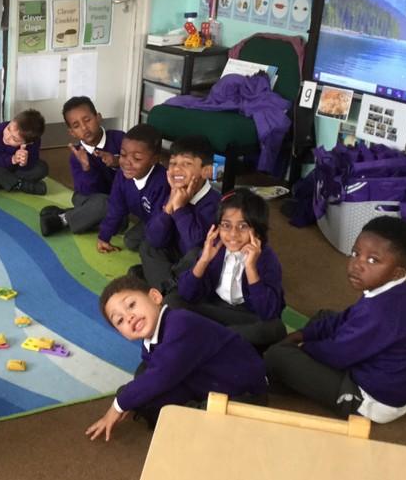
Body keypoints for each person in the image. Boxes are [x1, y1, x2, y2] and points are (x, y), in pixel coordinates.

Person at [264, 216, 406, 423]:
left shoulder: (381, 313)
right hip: (378, 371)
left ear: (397, 272)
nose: (357, 265)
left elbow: (336, 354)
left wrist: (301, 346)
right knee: (326, 317)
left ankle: (279, 377)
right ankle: (294, 371)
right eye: (355, 253)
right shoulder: (392, 290)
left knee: (278, 356)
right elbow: (349, 317)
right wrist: (303, 333)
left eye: (373, 260)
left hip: (375, 400)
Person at [85, 274, 268, 440]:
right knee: (141, 382)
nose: (129, 317)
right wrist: (129, 397)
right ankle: (184, 413)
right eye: (120, 320)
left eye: (131, 305)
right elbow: (154, 371)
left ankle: (196, 419)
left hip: (242, 392)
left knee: (143, 392)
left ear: (155, 297)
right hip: (202, 380)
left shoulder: (181, 323)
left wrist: (119, 404)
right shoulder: (150, 340)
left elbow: (160, 376)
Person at [170, 188, 287, 349]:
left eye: (243, 226)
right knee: (172, 301)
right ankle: (220, 339)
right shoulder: (215, 248)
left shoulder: (267, 259)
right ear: (217, 228)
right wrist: (204, 260)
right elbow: (186, 293)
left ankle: (209, 337)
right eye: (226, 225)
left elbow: (268, 312)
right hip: (214, 308)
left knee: (275, 328)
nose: (233, 234)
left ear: (258, 230)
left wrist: (251, 268)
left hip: (245, 317)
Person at [139, 134, 220, 292]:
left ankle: (164, 286)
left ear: (206, 171)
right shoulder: (173, 193)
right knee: (148, 246)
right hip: (176, 257)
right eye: (173, 163)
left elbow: (194, 244)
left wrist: (180, 209)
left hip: (198, 263)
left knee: (196, 254)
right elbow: (154, 239)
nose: (176, 169)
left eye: (187, 163)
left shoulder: (214, 203)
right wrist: (169, 207)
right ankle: (168, 286)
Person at [39, 96, 124, 237]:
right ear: (72, 132)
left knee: (120, 222)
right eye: (76, 126)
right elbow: (87, 192)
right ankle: (67, 219)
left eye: (87, 120)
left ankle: (65, 216)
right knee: (105, 205)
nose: (84, 128)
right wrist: (86, 168)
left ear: (98, 117)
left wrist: (117, 161)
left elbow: (136, 170)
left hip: (117, 200)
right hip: (89, 198)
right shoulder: (77, 156)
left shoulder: (120, 139)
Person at [96, 124, 167, 254]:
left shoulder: (162, 183)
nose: (127, 163)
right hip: (148, 221)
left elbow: (162, 222)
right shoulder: (122, 176)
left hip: (166, 225)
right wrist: (104, 236)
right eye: (123, 155)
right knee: (130, 241)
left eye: (137, 158)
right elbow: (116, 207)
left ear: (154, 160)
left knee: (152, 247)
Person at [0, 109, 49, 195]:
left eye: (14, 139)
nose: (7, 136)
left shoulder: (33, 143)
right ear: (12, 121)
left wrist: (24, 163)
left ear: (27, 143)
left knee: (42, 168)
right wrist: (12, 159)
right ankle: (23, 185)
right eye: (8, 129)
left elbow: (31, 163)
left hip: (16, 171)